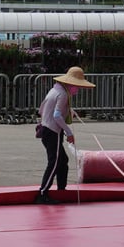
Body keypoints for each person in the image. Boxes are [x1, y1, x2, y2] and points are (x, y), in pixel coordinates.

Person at [35, 66, 95, 205]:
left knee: (62, 161)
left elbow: (43, 108)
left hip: (47, 129)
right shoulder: (62, 94)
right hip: (52, 132)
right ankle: (43, 193)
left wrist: (68, 110)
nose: (77, 89)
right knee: (54, 163)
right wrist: (69, 132)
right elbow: (56, 115)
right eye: (76, 86)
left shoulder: (55, 89)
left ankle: (61, 189)